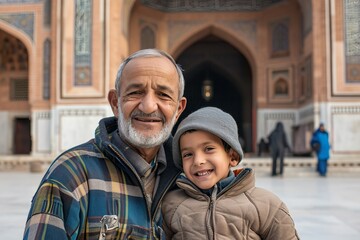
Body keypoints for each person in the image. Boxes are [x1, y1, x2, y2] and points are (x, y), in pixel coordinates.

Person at [23, 49, 187, 239]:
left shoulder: (187, 177)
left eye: (163, 95)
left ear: (178, 109)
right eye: (135, 92)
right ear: (115, 103)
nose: (148, 106)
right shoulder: (72, 174)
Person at [162, 107, 299, 239]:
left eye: (209, 149)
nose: (198, 161)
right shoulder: (171, 205)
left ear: (232, 157)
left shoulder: (267, 206)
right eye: (188, 154)